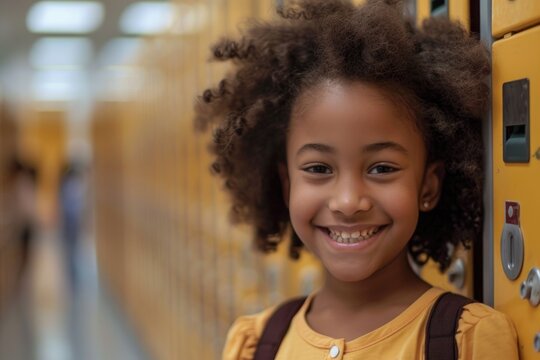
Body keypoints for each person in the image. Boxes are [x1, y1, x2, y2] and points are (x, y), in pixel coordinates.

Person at [195, 0, 519, 358]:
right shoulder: (255, 344)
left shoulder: (465, 340)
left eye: (381, 168)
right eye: (318, 169)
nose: (348, 202)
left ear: (429, 186)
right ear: (287, 186)